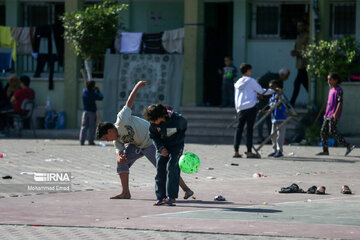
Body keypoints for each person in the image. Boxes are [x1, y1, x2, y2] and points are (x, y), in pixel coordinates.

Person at [96, 81, 193, 200]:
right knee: (121, 163)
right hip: (137, 146)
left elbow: (129, 103)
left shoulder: (122, 120)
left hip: (150, 141)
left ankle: (186, 189)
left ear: (110, 131)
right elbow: (120, 153)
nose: (107, 140)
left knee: (165, 167)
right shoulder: (117, 140)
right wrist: (120, 157)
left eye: (106, 138)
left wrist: (136, 87)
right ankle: (125, 192)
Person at [143, 103, 187, 206]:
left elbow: (183, 129)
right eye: (151, 121)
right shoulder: (153, 123)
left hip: (176, 146)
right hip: (162, 146)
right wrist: (161, 148)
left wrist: (175, 143)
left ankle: (171, 197)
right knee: (160, 170)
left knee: (172, 168)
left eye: (154, 120)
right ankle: (160, 197)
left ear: (161, 116)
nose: (153, 123)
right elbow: (153, 136)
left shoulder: (178, 120)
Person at [233, 63, 275, 158]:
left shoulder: (237, 82)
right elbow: (262, 91)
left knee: (239, 129)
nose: (251, 72)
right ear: (247, 71)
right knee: (249, 129)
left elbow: (236, 98)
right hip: (251, 107)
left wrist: (237, 110)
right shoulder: (251, 81)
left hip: (240, 108)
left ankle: (236, 151)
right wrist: (273, 90)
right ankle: (249, 151)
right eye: (250, 70)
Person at [317, 73, 355, 156]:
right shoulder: (331, 90)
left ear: (336, 80)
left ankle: (348, 145)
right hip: (327, 114)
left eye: (331, 80)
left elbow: (340, 102)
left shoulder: (339, 90)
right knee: (323, 131)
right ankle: (325, 151)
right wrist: (326, 113)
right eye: (328, 80)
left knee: (333, 131)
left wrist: (335, 114)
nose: (329, 81)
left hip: (333, 114)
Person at [256, 68, 290, 143]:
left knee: (269, 119)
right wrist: (259, 93)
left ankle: (269, 137)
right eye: (286, 76)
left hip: (270, 101)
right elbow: (259, 83)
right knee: (261, 118)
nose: (286, 79)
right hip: (263, 100)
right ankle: (260, 137)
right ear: (282, 74)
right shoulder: (270, 77)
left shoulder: (279, 81)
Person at [290, 19, 309, 106]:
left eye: (301, 26)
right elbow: (297, 48)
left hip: (305, 63)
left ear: (305, 26)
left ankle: (292, 103)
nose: (299, 28)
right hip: (299, 64)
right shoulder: (298, 36)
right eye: (298, 26)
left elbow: (308, 50)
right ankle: (292, 102)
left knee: (298, 83)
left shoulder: (307, 36)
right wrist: (294, 52)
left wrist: (299, 53)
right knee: (302, 84)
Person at [266, 80, 287, 158]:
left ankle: (279, 150)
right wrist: (264, 112)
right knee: (273, 135)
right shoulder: (271, 97)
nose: (271, 89)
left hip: (281, 118)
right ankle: (274, 150)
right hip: (274, 118)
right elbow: (270, 107)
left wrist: (278, 98)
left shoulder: (281, 95)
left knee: (280, 136)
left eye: (273, 87)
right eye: (270, 87)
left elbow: (279, 105)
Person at [79, 80, 104, 145]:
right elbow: (101, 97)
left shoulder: (84, 91)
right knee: (92, 127)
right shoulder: (93, 93)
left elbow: (86, 89)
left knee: (83, 127)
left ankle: (82, 141)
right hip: (92, 112)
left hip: (85, 112)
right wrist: (98, 91)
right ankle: (90, 141)